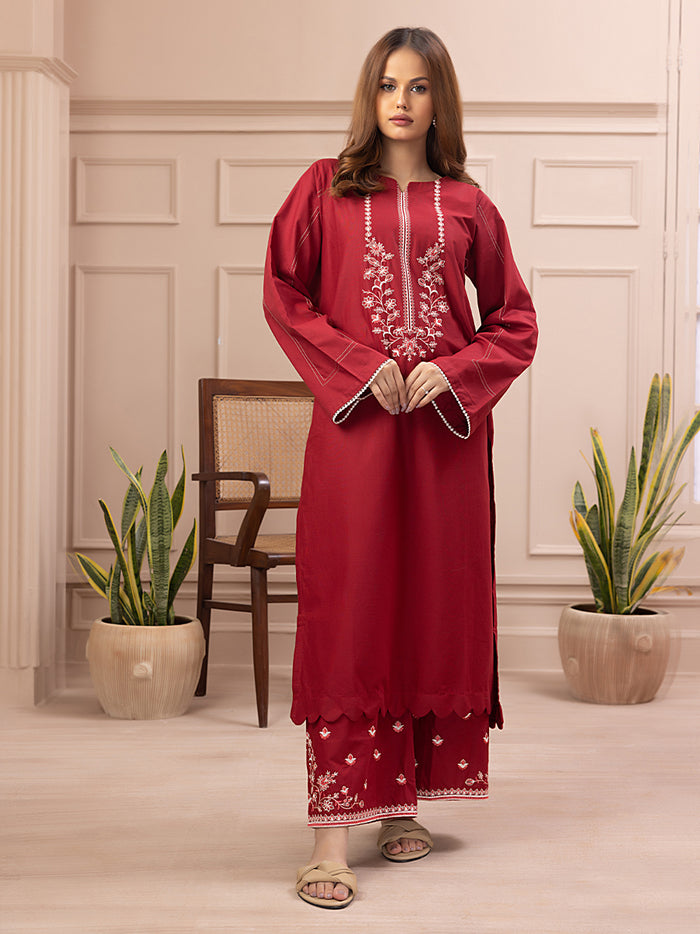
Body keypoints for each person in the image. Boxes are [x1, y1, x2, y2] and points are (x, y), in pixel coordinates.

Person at [263, 26, 537, 909]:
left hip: (443, 441)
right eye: (388, 84)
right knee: (352, 609)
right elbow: (284, 295)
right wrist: (357, 366)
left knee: (429, 604)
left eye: (419, 86)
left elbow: (515, 321)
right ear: (368, 94)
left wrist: (452, 373)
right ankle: (329, 839)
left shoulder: (469, 204)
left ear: (439, 100)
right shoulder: (325, 188)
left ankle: (400, 805)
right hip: (357, 438)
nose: (402, 101)